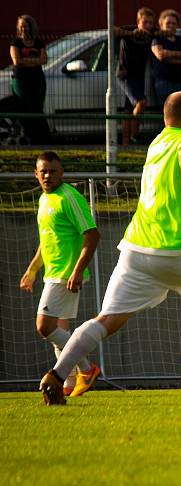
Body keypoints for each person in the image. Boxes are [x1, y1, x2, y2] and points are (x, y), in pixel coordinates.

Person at [38, 92, 181, 406]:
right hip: (172, 247)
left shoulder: (157, 143)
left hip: (135, 249)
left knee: (106, 321)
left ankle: (57, 375)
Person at [21, 152, 101, 397]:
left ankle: (87, 369)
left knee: (44, 327)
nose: (47, 175)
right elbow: (47, 242)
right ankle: (67, 384)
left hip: (65, 274)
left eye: (52, 171)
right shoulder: (45, 200)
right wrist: (32, 270)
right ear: (36, 174)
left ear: (61, 173)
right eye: (43, 171)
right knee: (61, 330)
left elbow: (92, 234)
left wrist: (77, 271)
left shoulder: (69, 197)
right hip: (52, 273)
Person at [116, 7, 155, 146]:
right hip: (125, 75)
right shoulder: (129, 31)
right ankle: (134, 134)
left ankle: (126, 145)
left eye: (150, 23)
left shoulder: (152, 34)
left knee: (128, 111)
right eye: (145, 22)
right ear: (138, 22)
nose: (148, 26)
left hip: (139, 77)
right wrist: (131, 33)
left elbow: (164, 33)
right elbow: (113, 30)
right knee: (141, 102)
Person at [9, 14, 50, 143]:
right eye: (21, 27)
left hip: (37, 80)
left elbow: (44, 60)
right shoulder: (16, 43)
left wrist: (26, 61)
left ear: (32, 28)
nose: (23, 30)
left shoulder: (38, 43)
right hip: (21, 80)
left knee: (38, 108)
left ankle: (41, 138)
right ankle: (29, 137)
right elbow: (17, 61)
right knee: (26, 107)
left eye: (26, 27)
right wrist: (35, 61)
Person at [150, 9, 181, 106]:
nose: (171, 25)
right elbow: (161, 55)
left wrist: (169, 56)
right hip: (164, 83)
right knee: (169, 112)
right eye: (168, 23)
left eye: (174, 23)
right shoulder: (157, 40)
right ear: (161, 24)